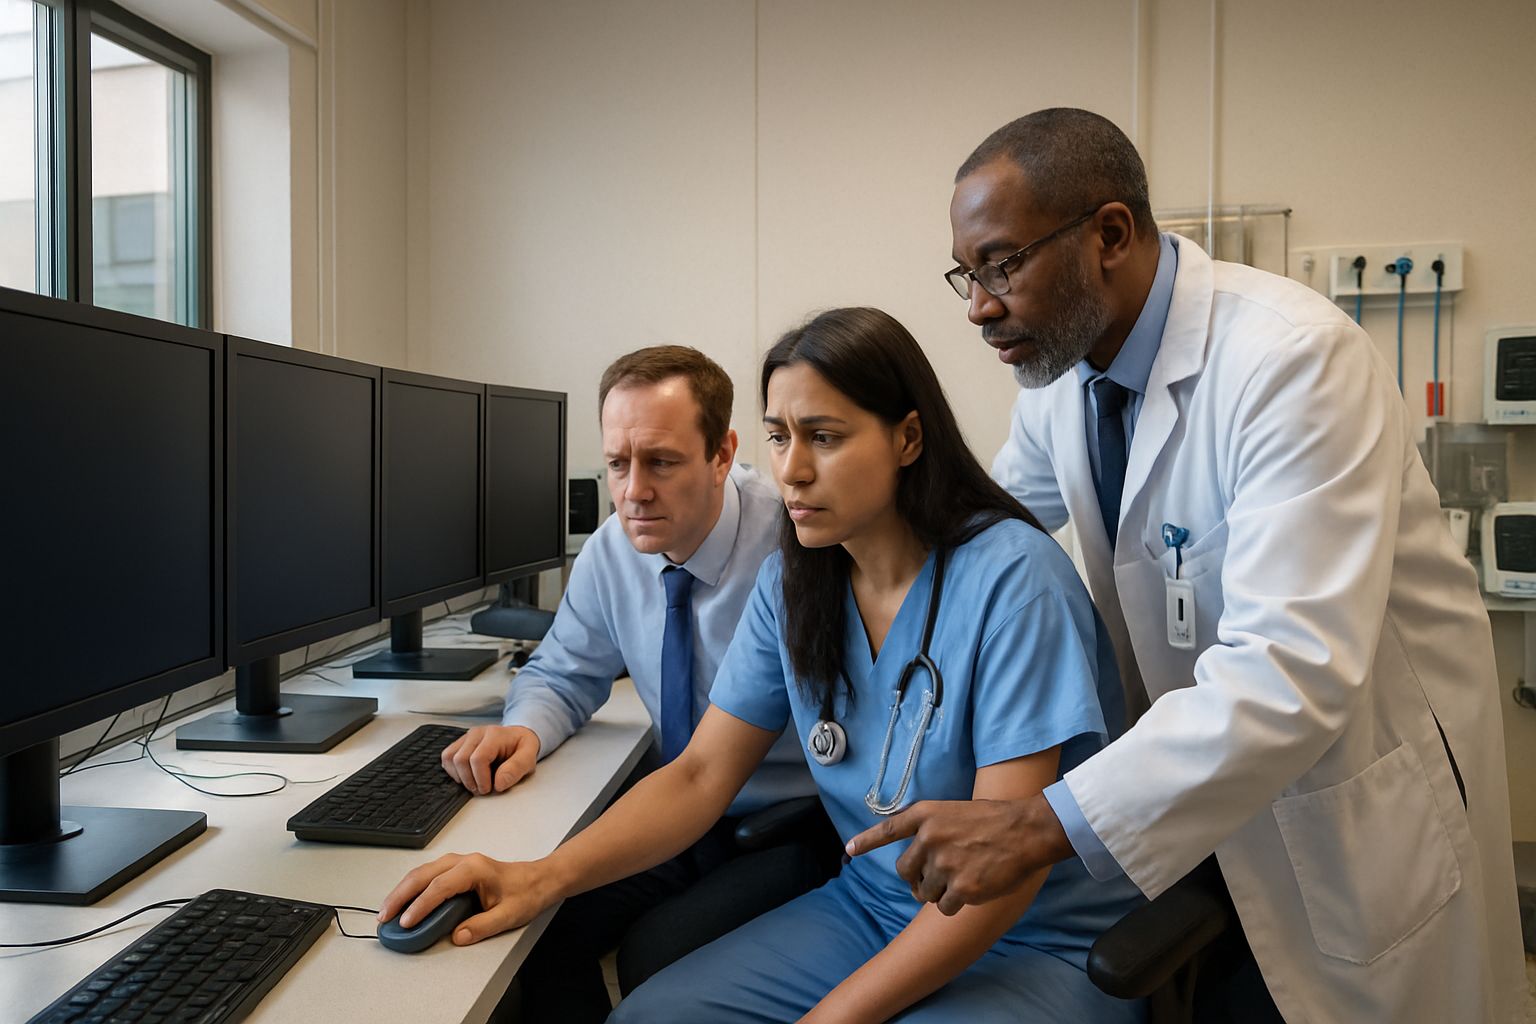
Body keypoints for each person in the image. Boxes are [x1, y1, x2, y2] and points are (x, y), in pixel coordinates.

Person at [848, 108, 1525, 1022]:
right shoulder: (1065, 386)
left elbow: (1293, 666)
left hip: (1349, 786)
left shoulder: (1291, 361)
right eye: (966, 275)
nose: (978, 306)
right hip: (1195, 798)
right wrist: (822, 506)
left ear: (1111, 235)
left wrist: (1036, 823)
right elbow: (978, 531)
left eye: (1002, 264)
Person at [380, 307, 1148, 1022]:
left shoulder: (1012, 579)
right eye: (780, 436)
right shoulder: (797, 577)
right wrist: (534, 878)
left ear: (908, 439)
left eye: (826, 436)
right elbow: (699, 774)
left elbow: (1000, 874)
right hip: (873, 907)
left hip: (1031, 935)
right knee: (647, 1016)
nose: (793, 470)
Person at [439, 345, 829, 1021]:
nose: (633, 491)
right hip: (672, 812)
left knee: (658, 953)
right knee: (540, 932)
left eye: (661, 462)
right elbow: (563, 672)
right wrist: (525, 729)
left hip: (787, 820)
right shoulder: (612, 551)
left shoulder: (795, 549)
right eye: (618, 463)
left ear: (723, 453)